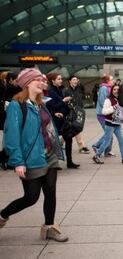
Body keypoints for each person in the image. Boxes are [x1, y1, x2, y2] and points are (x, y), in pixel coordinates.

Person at [0, 68, 68, 242]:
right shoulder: (17, 105)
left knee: (51, 192)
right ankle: (2, 216)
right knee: (31, 197)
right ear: (28, 83)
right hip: (32, 158)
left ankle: (49, 227)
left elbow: (45, 126)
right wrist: (18, 162)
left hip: (49, 155)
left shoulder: (41, 103)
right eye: (38, 79)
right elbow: (11, 136)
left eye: (42, 79)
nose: (42, 82)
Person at [45, 73, 77, 169]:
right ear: (53, 81)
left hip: (63, 119)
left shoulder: (61, 89)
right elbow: (52, 106)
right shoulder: (50, 92)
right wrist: (63, 101)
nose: (61, 80)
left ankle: (70, 162)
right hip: (55, 120)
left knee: (69, 139)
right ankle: (54, 163)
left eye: (61, 78)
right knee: (53, 142)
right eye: (58, 79)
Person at [92, 85, 123, 164]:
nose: (116, 91)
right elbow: (104, 112)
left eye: (117, 89)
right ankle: (97, 155)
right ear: (111, 91)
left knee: (121, 141)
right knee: (107, 141)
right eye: (114, 89)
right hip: (109, 124)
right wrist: (113, 108)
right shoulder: (108, 100)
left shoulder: (120, 100)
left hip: (117, 124)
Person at [64, 76, 90, 155]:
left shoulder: (78, 89)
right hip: (71, 113)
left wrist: (81, 110)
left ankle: (59, 143)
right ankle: (81, 146)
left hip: (78, 112)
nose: (75, 81)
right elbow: (65, 101)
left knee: (68, 130)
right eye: (74, 80)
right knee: (76, 128)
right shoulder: (67, 90)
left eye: (76, 80)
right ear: (69, 81)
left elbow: (80, 99)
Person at [93, 75, 114, 156]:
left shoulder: (109, 88)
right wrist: (110, 108)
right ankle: (96, 145)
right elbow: (102, 101)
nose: (113, 81)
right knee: (109, 133)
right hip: (102, 114)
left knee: (109, 133)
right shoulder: (104, 88)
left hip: (107, 114)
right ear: (107, 81)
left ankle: (107, 151)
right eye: (112, 79)